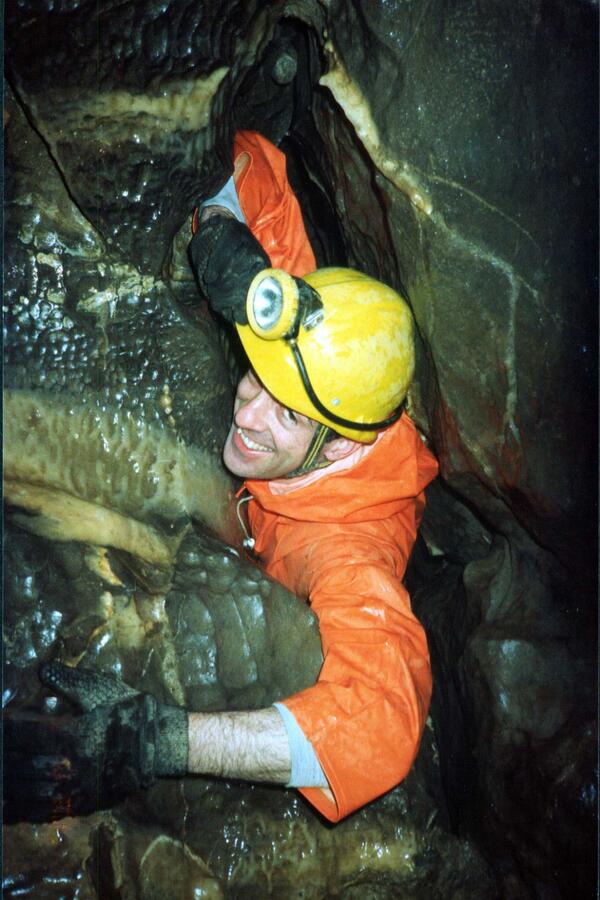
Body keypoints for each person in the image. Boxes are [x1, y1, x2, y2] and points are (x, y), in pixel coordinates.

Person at [4, 132, 438, 825]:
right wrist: (221, 238)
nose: (248, 411)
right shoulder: (314, 332)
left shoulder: (351, 554)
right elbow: (253, 164)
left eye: (286, 416)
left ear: (332, 450)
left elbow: (382, 726)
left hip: (262, 545)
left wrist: (160, 740)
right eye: (256, 377)